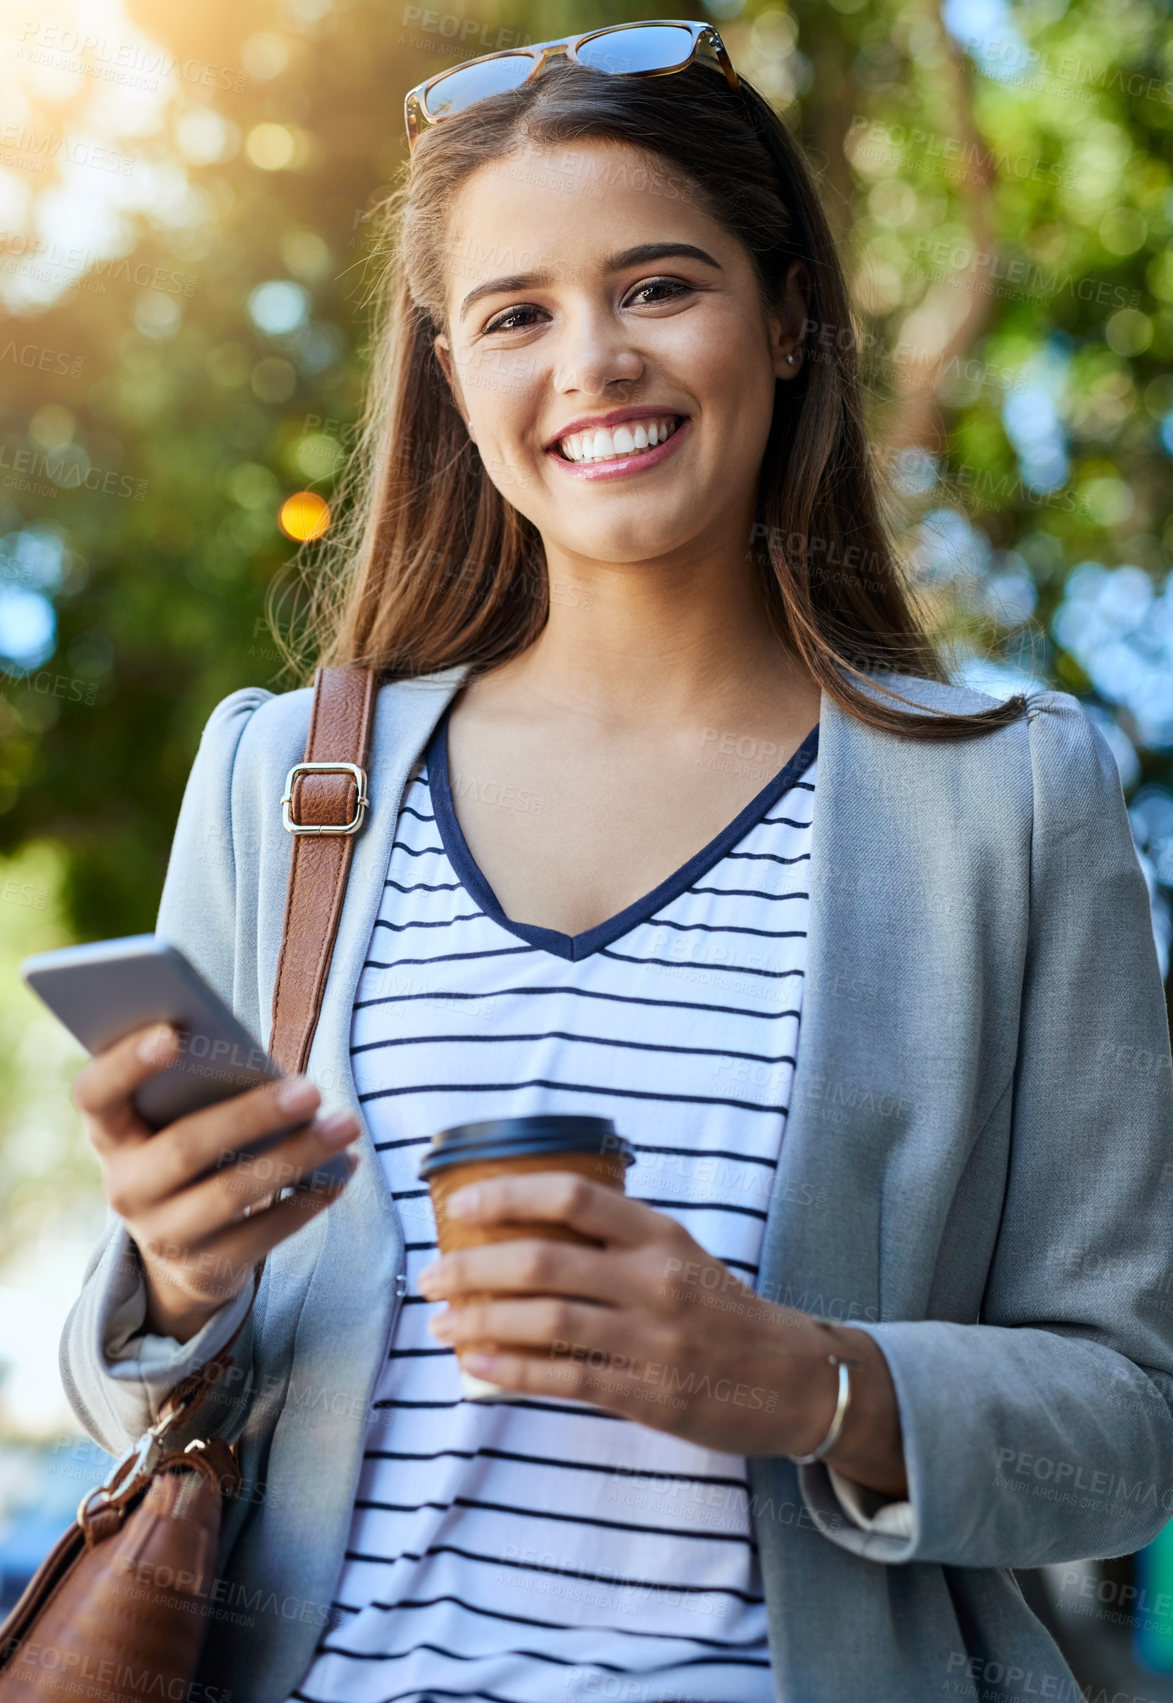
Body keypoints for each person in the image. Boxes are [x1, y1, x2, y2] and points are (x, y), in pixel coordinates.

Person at [60, 24, 1173, 1703]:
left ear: (787, 315)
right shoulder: (286, 784)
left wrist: (797, 1379)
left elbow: (1126, 1428)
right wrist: (174, 1271)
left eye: (657, 286)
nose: (591, 361)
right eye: (515, 314)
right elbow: (150, 1388)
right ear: (450, 375)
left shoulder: (1008, 802)